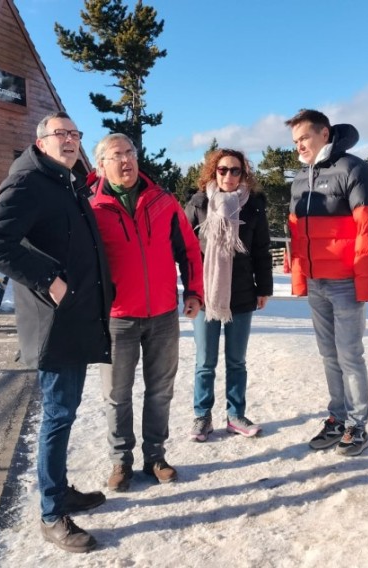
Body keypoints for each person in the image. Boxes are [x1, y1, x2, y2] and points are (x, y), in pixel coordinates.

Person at [0, 111, 112, 554]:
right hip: (53, 324)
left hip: (73, 317)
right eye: (61, 134)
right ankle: (52, 514)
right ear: (40, 141)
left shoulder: (64, 181)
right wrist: (49, 278)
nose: (70, 140)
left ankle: (60, 490)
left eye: (75, 134)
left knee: (66, 412)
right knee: (57, 415)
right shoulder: (28, 182)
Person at [88, 133, 204, 490]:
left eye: (130, 153)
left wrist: (194, 291)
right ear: (101, 166)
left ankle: (155, 457)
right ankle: (121, 461)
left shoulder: (163, 200)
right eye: (116, 155)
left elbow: (189, 249)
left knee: (160, 390)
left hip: (164, 315)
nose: (126, 161)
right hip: (118, 317)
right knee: (117, 395)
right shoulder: (91, 206)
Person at [286, 109, 368, 456]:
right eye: (295, 141)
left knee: (350, 355)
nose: (299, 146)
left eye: (304, 138)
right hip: (317, 283)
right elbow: (297, 236)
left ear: (324, 134)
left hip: (345, 282)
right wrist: (301, 278)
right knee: (329, 355)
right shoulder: (302, 178)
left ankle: (357, 425)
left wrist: (366, 283)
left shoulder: (354, 170)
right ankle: (337, 417)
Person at [183, 149, 273, 442]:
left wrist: (264, 288)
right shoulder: (198, 204)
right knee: (205, 361)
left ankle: (235, 415)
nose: (229, 176)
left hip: (243, 292)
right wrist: (191, 291)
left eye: (236, 171)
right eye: (223, 170)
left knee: (237, 361)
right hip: (206, 295)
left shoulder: (254, 206)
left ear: (243, 174)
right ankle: (202, 416)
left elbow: (261, 250)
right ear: (213, 172)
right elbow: (186, 252)